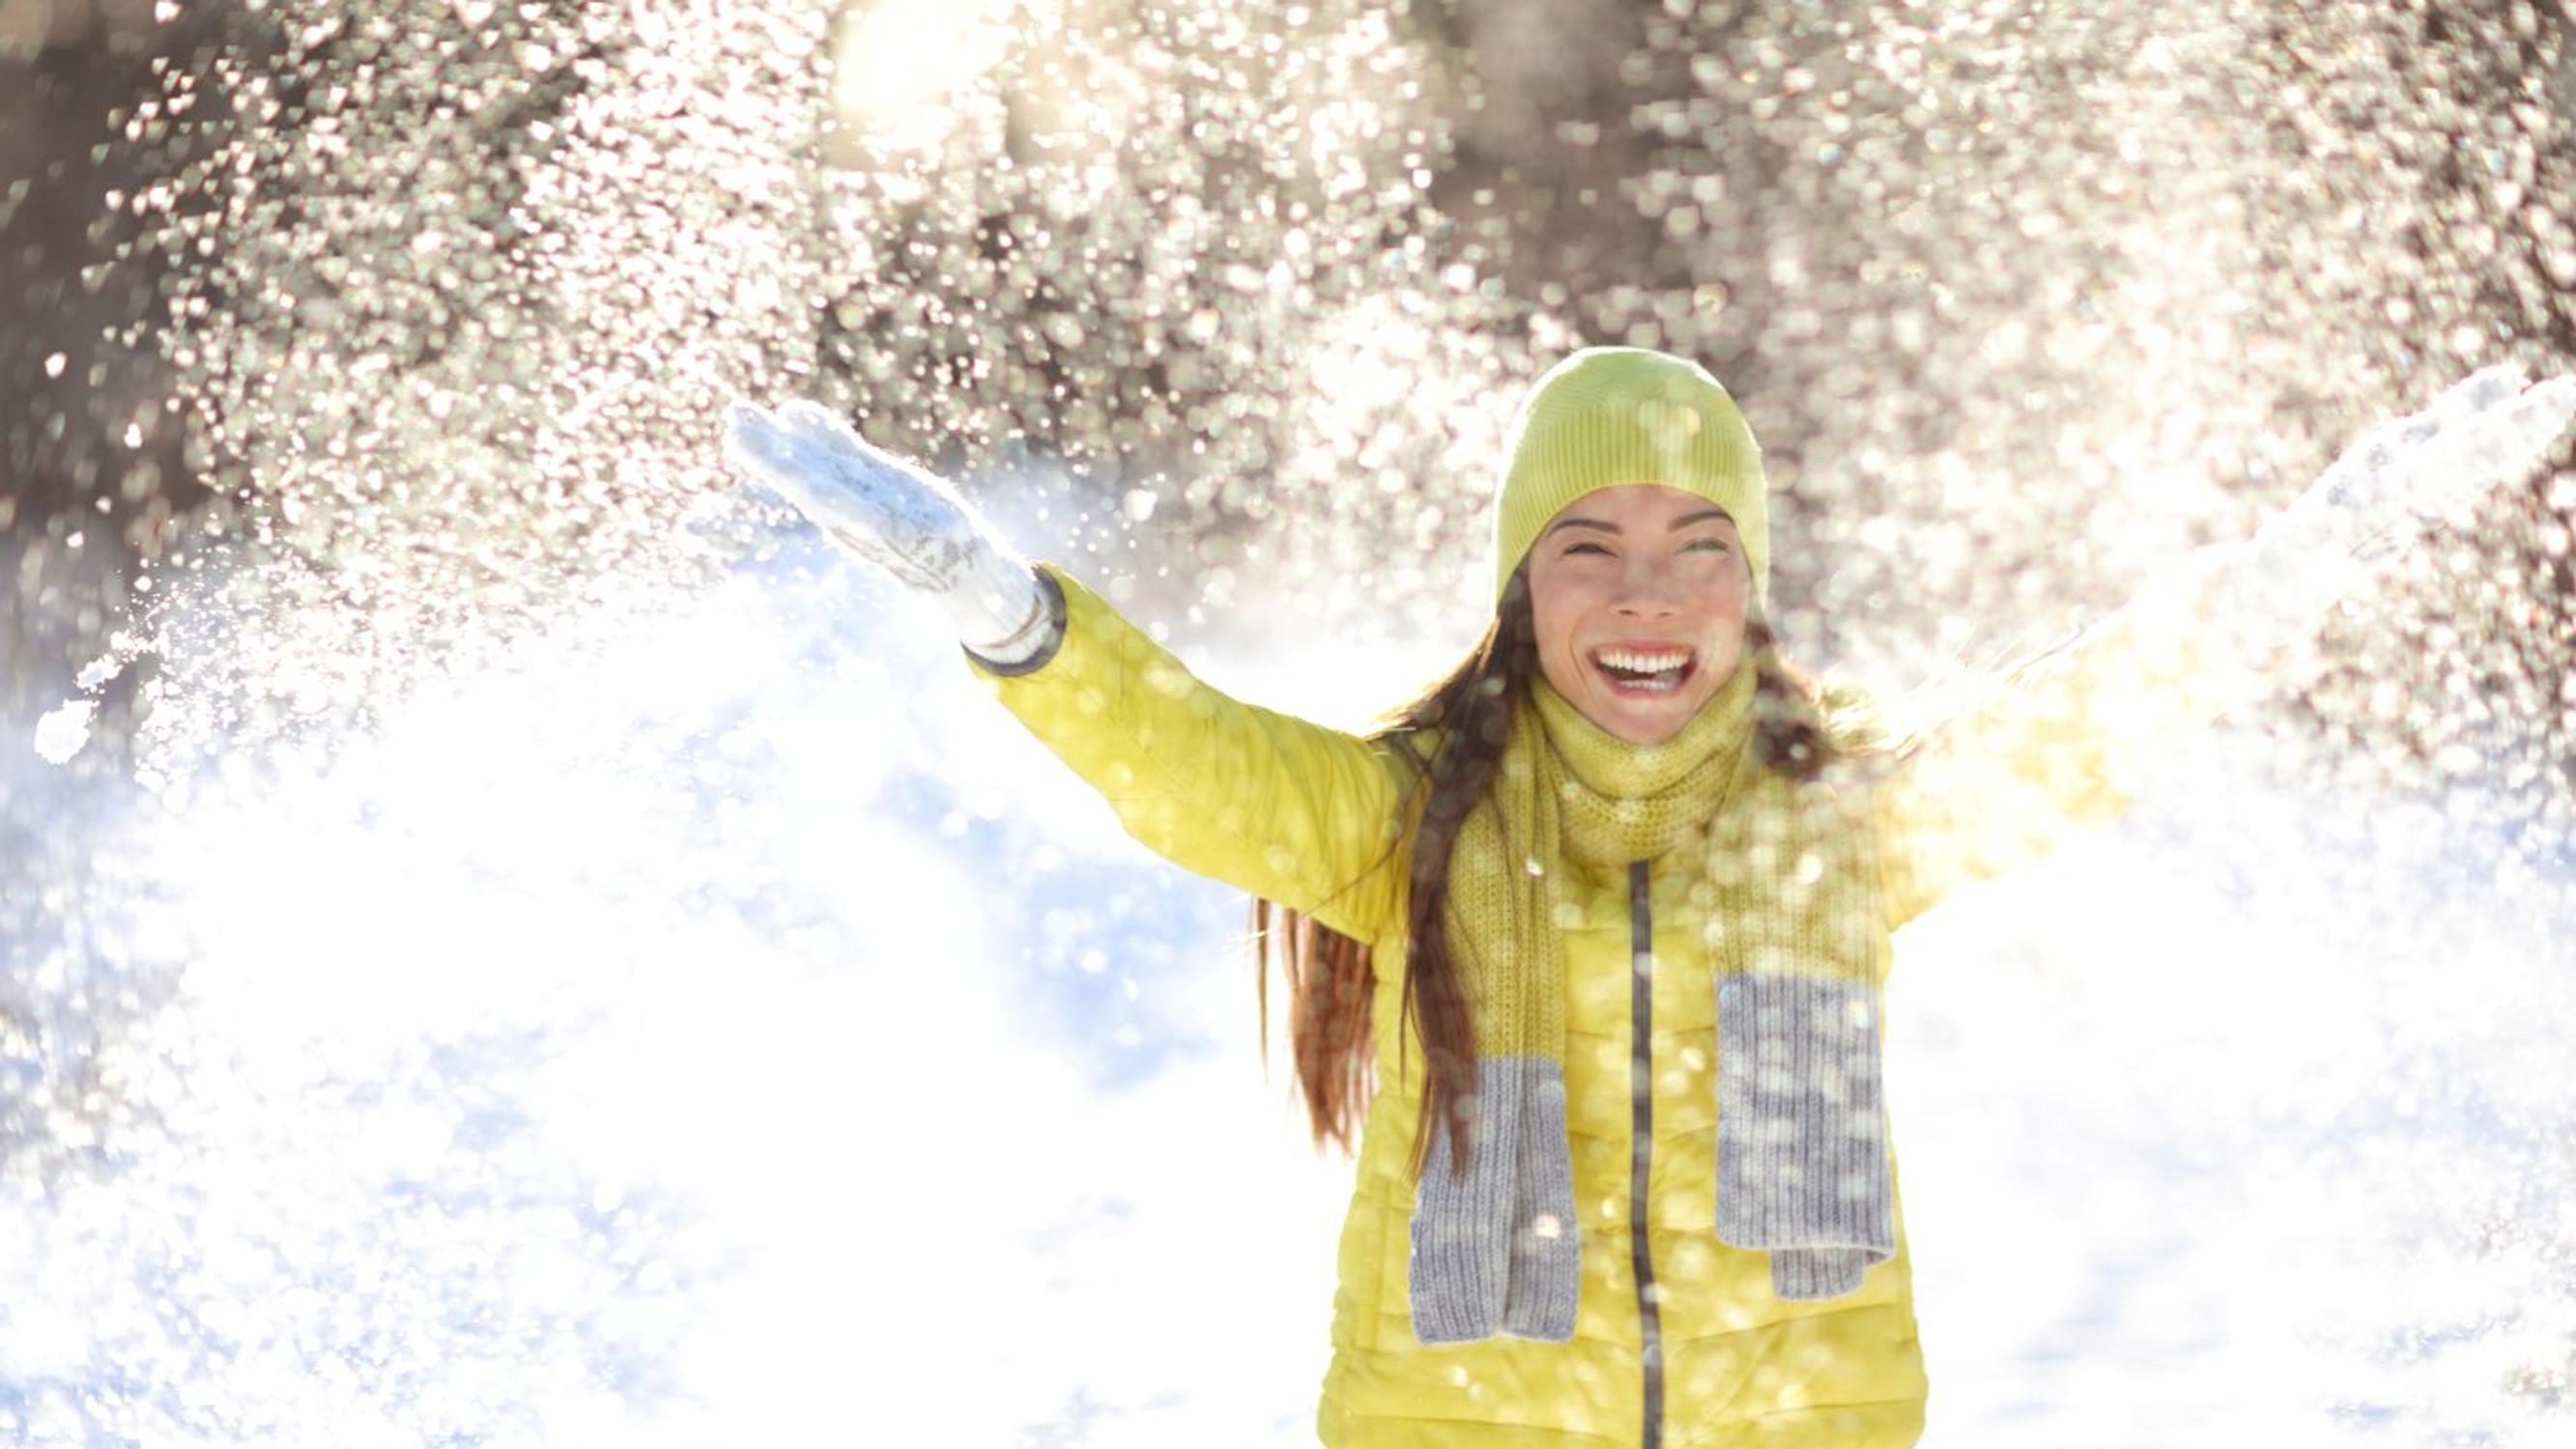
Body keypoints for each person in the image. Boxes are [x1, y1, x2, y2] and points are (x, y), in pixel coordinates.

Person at [721, 348, 2574, 1448]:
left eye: (1701, 552)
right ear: (1521, 592)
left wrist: (2316, 557)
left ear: (1751, 597)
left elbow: (2081, 723)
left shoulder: (1836, 833)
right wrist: (1005, 611)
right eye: (1589, 547)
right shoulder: (1408, 827)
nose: (1647, 596)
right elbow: (1194, 760)